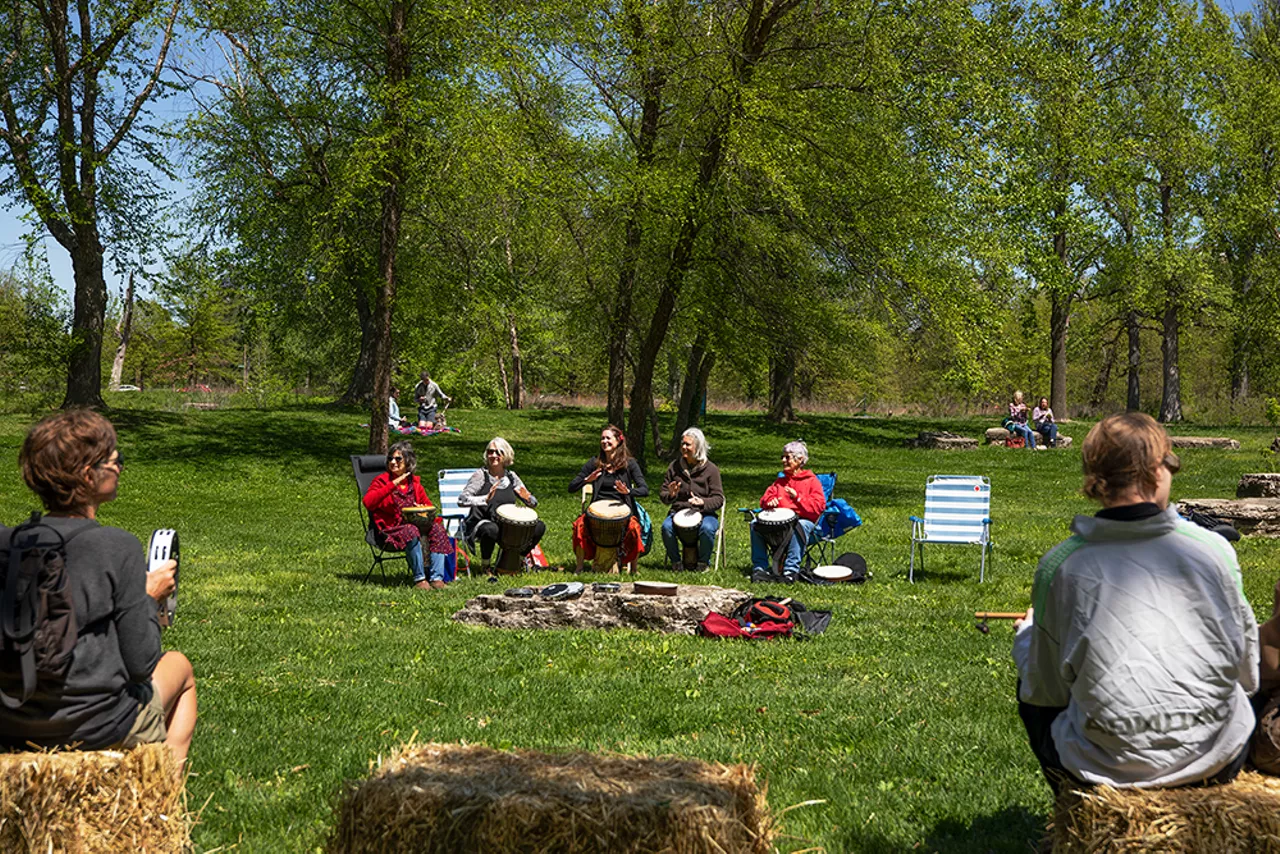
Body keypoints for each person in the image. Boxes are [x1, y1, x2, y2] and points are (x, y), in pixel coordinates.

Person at [1014, 412, 1258, 793]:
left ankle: (1071, 799)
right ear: (1157, 472)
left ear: (1096, 482)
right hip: (1216, 761)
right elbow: (1248, 674)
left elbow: (1045, 692)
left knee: (1027, 672)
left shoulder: (1061, 566)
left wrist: (1026, 638)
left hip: (1105, 772)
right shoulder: (1214, 551)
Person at [0, 410, 197, 771]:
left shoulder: (9, 544)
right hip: (96, 725)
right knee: (180, 668)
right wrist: (148, 597)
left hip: (10, 723)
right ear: (89, 476)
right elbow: (142, 664)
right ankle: (164, 803)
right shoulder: (115, 546)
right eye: (113, 459)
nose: (120, 466)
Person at [361, 440, 451, 590]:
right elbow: (368, 502)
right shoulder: (381, 481)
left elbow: (429, 507)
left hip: (414, 528)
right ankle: (420, 579)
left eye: (398, 459)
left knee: (437, 529)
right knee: (410, 530)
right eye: (390, 458)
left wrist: (423, 509)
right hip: (389, 531)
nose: (393, 462)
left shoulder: (415, 485)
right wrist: (393, 484)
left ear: (408, 461)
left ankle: (436, 578)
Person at [458, 437, 545, 575]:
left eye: (498, 452)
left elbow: (531, 501)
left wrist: (528, 499)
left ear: (506, 455)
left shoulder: (511, 476)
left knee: (539, 526)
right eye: (490, 452)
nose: (493, 455)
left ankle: (519, 560)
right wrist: (484, 499)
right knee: (491, 529)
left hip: (506, 525)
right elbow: (462, 499)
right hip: (481, 522)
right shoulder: (480, 475)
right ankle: (486, 566)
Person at [568, 425, 649, 572]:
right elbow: (571, 487)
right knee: (579, 525)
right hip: (596, 513)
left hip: (623, 512)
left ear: (618, 441)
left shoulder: (629, 464)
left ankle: (634, 569)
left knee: (634, 528)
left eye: (608, 438)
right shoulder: (594, 463)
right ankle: (579, 568)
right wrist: (587, 479)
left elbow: (644, 490)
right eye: (602, 438)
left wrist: (628, 491)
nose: (604, 441)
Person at [749, 440, 826, 582]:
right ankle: (760, 568)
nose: (783, 460)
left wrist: (798, 498)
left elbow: (818, 508)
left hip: (803, 522)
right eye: (782, 457)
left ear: (800, 459)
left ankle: (790, 571)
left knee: (800, 525)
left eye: (787, 457)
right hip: (778, 524)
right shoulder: (780, 482)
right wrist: (769, 502)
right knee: (755, 524)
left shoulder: (811, 481)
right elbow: (765, 498)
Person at [659, 428, 724, 571]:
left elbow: (719, 498)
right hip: (678, 512)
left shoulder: (711, 470)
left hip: (705, 514)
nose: (683, 447)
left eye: (688, 445)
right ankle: (676, 563)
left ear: (698, 447)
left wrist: (703, 502)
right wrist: (671, 495)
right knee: (666, 528)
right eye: (682, 444)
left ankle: (703, 563)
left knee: (707, 528)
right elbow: (663, 495)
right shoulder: (674, 467)